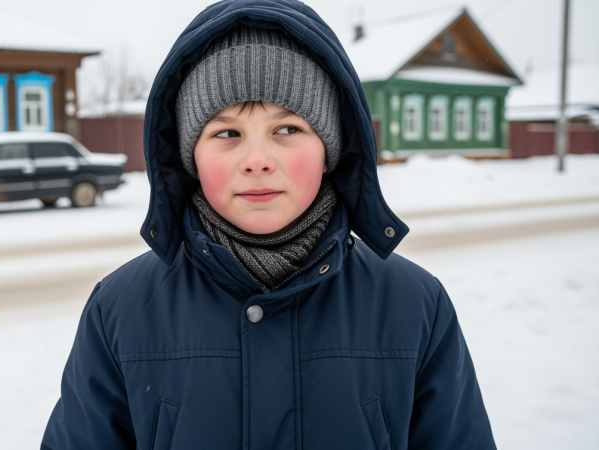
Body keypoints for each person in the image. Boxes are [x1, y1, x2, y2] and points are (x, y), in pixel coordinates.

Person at [42, 1, 496, 448]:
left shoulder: (414, 306)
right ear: (189, 156)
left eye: (288, 130)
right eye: (226, 134)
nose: (257, 161)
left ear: (330, 148)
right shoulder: (121, 309)